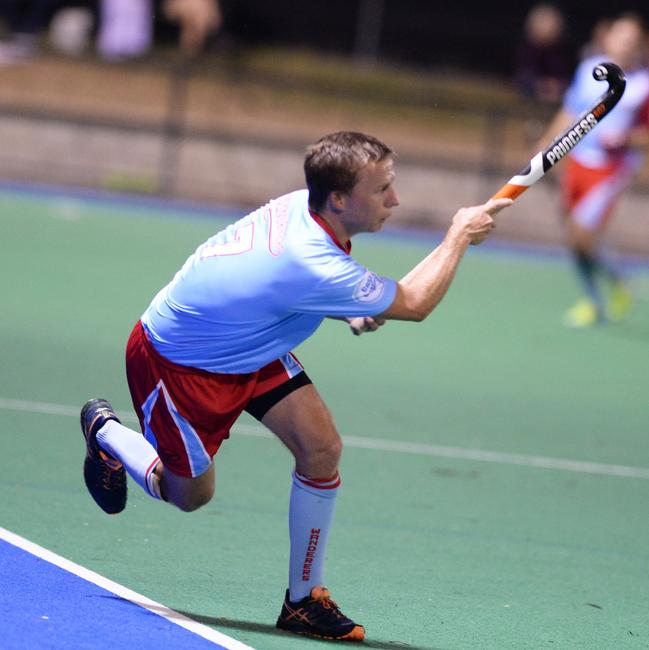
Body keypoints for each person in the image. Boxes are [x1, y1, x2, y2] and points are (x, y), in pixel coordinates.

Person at [80, 131, 511, 641]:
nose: (395, 200)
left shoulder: (302, 210)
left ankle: (303, 601)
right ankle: (106, 434)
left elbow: (278, 287)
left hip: (252, 344)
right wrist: (459, 235)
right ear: (339, 199)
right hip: (179, 365)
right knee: (189, 495)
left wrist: (343, 305)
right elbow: (413, 303)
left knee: (321, 448)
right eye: (382, 191)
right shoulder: (310, 259)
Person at [540, 14, 649, 327]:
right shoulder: (590, 70)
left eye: (632, 41)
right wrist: (547, 147)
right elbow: (570, 110)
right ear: (608, 38)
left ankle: (617, 281)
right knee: (574, 239)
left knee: (582, 235)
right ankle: (593, 299)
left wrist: (626, 139)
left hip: (612, 169)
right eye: (620, 37)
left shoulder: (643, 86)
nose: (625, 45)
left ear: (639, 46)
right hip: (578, 162)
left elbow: (647, 134)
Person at [514, 4, 572, 104]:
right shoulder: (526, 50)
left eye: (552, 24)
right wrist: (540, 85)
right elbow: (520, 78)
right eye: (543, 23)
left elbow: (568, 78)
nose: (548, 28)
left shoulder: (561, 51)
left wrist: (557, 86)